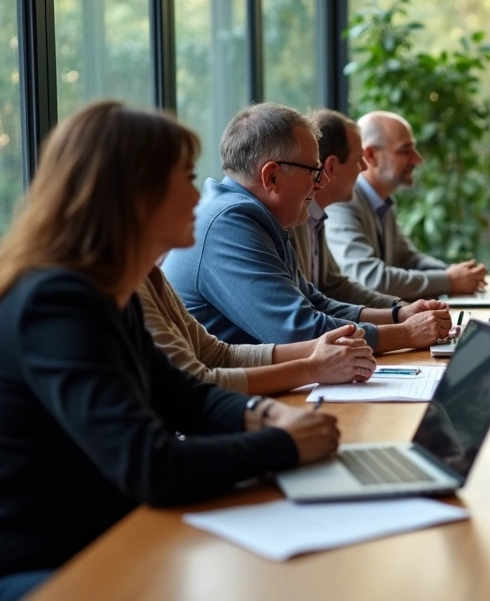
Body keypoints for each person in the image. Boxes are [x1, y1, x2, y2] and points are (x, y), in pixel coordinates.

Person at [0, 102, 339, 600]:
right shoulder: (56, 303)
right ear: (137, 197)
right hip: (52, 568)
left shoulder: (105, 290)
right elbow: (150, 465)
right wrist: (286, 444)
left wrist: (268, 416)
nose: (197, 196)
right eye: (185, 178)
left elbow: (185, 395)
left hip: (110, 539)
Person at [161, 103, 452, 353]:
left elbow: (315, 302)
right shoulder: (229, 223)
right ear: (272, 177)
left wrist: (399, 314)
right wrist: (406, 333)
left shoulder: (259, 216)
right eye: (314, 171)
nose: (321, 182)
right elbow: (299, 330)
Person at [137, 266, 376, 394]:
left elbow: (218, 356)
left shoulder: (150, 272)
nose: (196, 197)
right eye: (188, 180)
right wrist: (313, 367)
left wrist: (318, 348)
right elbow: (193, 384)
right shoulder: (129, 287)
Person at [326, 111, 487, 299]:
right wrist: (449, 280)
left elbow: (408, 259)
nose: (417, 160)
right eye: (405, 150)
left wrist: (457, 273)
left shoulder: (382, 202)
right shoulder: (342, 203)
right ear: (370, 155)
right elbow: (370, 279)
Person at [289, 109, 418, 311]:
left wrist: (398, 308)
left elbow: (334, 288)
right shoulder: (290, 221)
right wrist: (398, 320)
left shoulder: (315, 216)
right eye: (359, 159)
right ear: (331, 167)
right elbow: (301, 314)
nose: (364, 169)